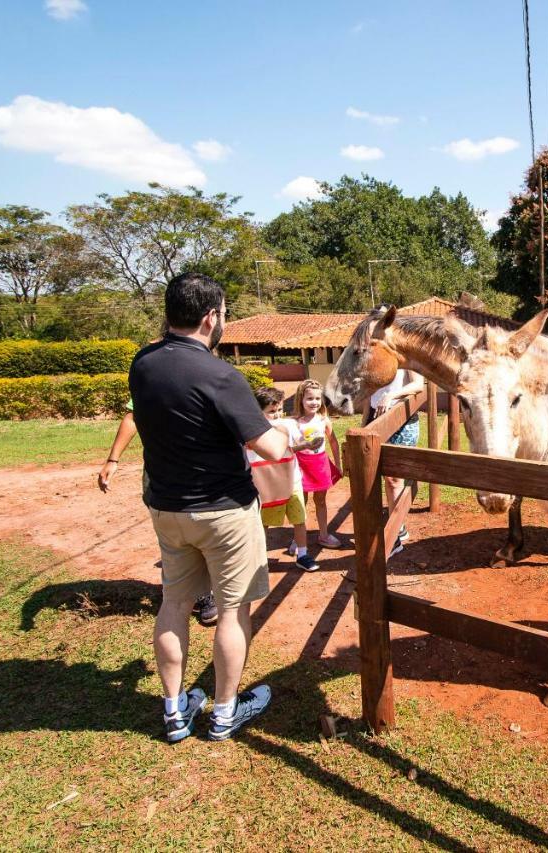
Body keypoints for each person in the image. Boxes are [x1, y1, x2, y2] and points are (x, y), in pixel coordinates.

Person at [130, 271, 294, 743]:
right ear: (210, 317)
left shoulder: (143, 364)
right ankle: (225, 712)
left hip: (167, 510)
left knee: (174, 605)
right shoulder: (221, 375)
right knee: (232, 608)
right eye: (223, 314)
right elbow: (271, 449)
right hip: (223, 512)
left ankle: (174, 709)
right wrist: (281, 429)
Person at [97, 401, 218, 627]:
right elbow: (134, 416)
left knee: (205, 530)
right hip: (162, 476)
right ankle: (201, 594)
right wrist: (113, 460)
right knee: (178, 535)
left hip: (204, 472)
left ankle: (207, 591)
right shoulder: (153, 376)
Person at [249, 386, 320, 572]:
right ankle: (260, 558)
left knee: (299, 519)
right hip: (267, 485)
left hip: (292, 481)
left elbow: (290, 448)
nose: (277, 414)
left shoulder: (287, 425)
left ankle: (302, 554)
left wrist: (307, 444)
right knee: (263, 522)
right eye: (272, 411)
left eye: (280, 409)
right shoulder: (253, 431)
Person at [370, 367, 425, 557]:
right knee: (388, 479)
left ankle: (394, 537)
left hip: (403, 421)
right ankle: (399, 526)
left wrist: (391, 395)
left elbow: (418, 385)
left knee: (395, 479)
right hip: (377, 419)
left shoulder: (408, 357)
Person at [291, 379, 343, 549]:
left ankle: (323, 534)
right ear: (301, 399)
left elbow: (333, 443)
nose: (314, 402)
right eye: (309, 398)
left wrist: (338, 465)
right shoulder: (294, 422)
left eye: (317, 399)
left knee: (320, 501)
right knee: (301, 502)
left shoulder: (324, 420)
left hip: (319, 465)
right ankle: (298, 538)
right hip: (301, 467)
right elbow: (289, 447)